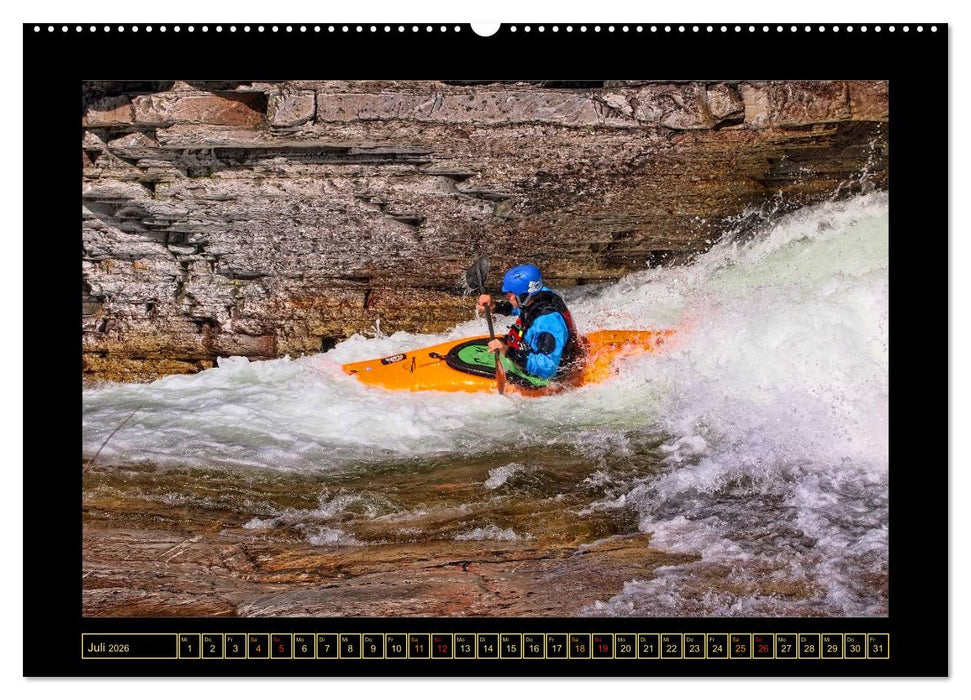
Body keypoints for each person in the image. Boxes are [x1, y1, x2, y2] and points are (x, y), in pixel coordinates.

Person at [476, 264, 583, 380]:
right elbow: (523, 308)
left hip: (552, 377)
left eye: (511, 294)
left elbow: (548, 368)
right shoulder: (539, 294)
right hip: (536, 350)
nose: (507, 296)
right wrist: (495, 306)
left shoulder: (548, 323)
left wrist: (507, 351)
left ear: (524, 296)